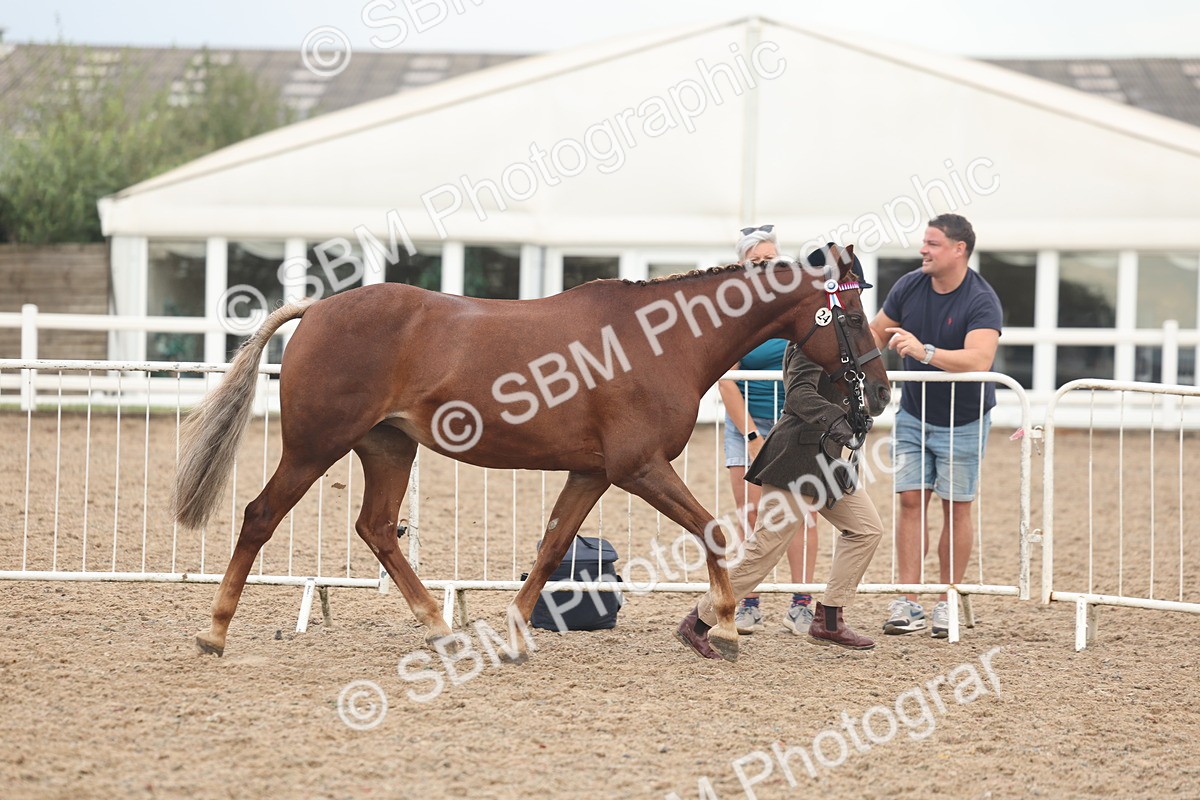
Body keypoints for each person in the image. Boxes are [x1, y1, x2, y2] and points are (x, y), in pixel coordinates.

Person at [677, 245, 885, 658]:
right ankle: (697, 621)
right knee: (764, 549)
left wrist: (858, 411)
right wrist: (836, 420)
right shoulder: (811, 339)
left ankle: (828, 617)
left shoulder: (839, 334)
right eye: (850, 289)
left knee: (866, 529)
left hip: (826, 460)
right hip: (796, 457)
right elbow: (800, 396)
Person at [869, 214, 1002, 639]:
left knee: (955, 507)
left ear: (959, 249)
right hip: (912, 414)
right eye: (924, 242)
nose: (923, 249)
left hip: (964, 419)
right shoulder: (909, 285)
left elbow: (979, 360)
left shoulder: (982, 298)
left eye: (933, 243)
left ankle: (946, 600)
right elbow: (874, 333)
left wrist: (924, 352)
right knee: (910, 502)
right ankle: (909, 600)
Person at [717, 224, 819, 636]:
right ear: (741, 266)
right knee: (753, 514)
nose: (764, 267)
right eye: (755, 261)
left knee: (801, 514)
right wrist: (754, 438)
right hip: (746, 424)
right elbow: (726, 381)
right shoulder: (733, 313)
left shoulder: (795, 306)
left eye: (772, 260)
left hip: (792, 423)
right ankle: (749, 602)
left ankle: (802, 602)